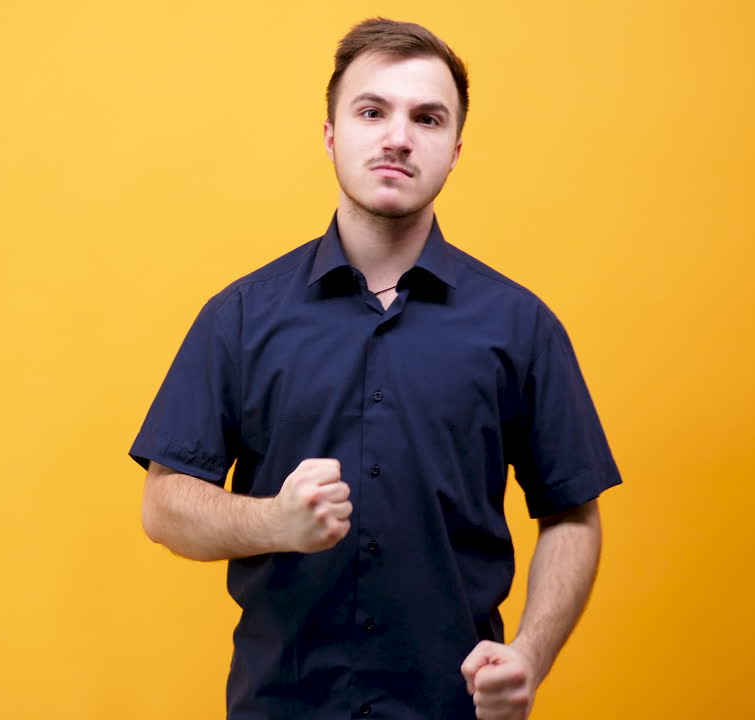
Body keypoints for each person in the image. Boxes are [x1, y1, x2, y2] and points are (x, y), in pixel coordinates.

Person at [128, 16, 621, 720]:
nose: (397, 136)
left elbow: (573, 514)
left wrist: (531, 656)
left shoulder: (522, 326)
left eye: (427, 118)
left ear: (455, 150)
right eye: (372, 111)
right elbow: (165, 506)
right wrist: (276, 522)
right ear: (331, 134)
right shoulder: (239, 318)